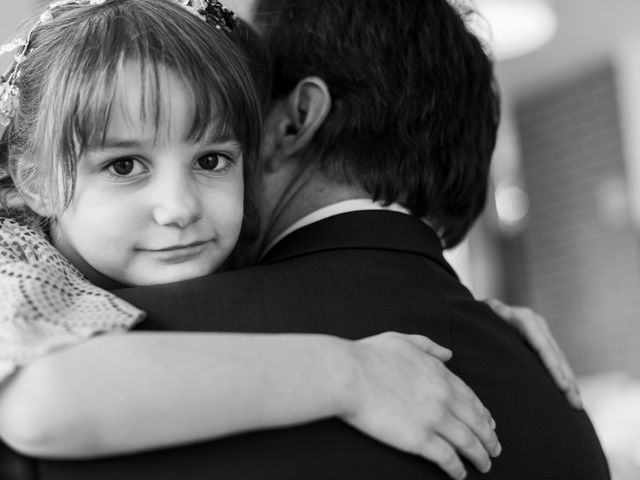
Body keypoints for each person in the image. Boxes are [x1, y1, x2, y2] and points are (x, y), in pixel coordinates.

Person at [3, 0, 608, 479]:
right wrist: (351, 371)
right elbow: (39, 397)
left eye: (213, 157)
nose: (179, 208)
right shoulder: (16, 262)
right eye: (124, 165)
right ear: (34, 177)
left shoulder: (190, 265)